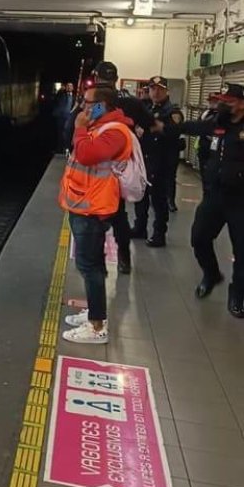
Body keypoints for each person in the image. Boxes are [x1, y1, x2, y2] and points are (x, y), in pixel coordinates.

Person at [59, 84, 134, 344]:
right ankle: (94, 311)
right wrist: (80, 124)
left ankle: (96, 327)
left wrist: (81, 127)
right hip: (84, 204)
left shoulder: (115, 132)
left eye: (88, 102)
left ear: (102, 105)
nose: (83, 106)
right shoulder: (98, 126)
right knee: (93, 263)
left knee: (88, 265)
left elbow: (88, 154)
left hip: (93, 208)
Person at [65, 61, 155, 273]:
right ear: (115, 78)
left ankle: (95, 261)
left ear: (96, 78)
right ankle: (124, 257)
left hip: (95, 172)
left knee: (94, 218)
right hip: (120, 170)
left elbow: (70, 129)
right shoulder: (130, 102)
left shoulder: (94, 102)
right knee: (119, 215)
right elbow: (153, 124)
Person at [176, 83, 244, 316]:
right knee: (199, 238)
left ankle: (238, 294)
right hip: (214, 195)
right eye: (221, 100)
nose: (223, 105)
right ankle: (211, 273)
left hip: (240, 200)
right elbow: (194, 127)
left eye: (229, 101)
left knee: (242, 250)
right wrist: (165, 126)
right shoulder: (218, 123)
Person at [131, 75, 182, 247]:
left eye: (159, 89)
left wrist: (151, 128)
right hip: (144, 159)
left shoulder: (172, 111)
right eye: (152, 88)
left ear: (166, 91)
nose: (155, 92)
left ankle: (159, 234)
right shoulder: (147, 107)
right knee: (141, 196)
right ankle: (140, 227)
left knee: (158, 200)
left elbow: (173, 132)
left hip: (161, 162)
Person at [195, 93, 219, 192]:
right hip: (204, 148)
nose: (211, 103)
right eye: (210, 101)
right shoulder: (205, 114)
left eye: (214, 101)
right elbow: (198, 126)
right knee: (205, 177)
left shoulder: (222, 115)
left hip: (215, 151)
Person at [52, 82, 74, 152]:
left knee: (67, 132)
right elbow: (55, 100)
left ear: (73, 88)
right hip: (60, 116)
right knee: (59, 132)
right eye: (67, 86)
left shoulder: (74, 97)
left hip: (68, 117)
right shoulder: (61, 95)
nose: (69, 87)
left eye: (70, 86)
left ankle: (66, 148)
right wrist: (60, 90)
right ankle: (59, 148)